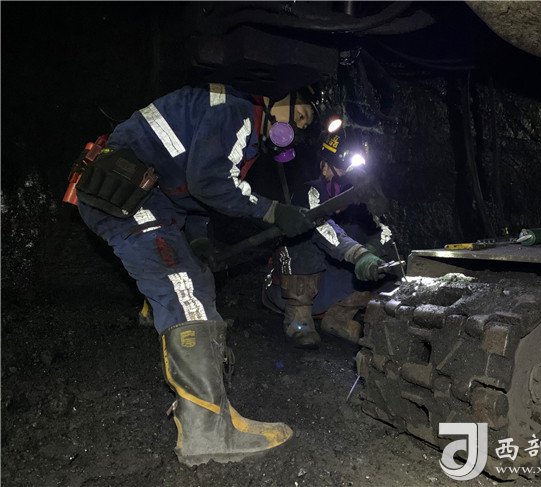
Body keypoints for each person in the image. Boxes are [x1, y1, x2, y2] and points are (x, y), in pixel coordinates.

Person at [73, 83, 316, 466]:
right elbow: (209, 182)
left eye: (303, 125)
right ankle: (207, 431)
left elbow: (188, 188)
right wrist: (272, 211)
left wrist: (199, 238)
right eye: (299, 115)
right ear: (277, 97)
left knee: (196, 281)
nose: (298, 127)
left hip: (146, 197)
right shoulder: (236, 110)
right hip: (127, 194)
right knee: (183, 290)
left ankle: (214, 410)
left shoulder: (240, 130)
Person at [262, 132, 392, 349]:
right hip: (287, 291)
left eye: (334, 167)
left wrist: (373, 249)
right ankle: (298, 321)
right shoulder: (310, 192)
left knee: (381, 261)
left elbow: (386, 230)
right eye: (326, 165)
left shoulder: (363, 196)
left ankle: (338, 318)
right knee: (302, 237)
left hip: (327, 288)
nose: (325, 171)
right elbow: (324, 230)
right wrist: (359, 254)